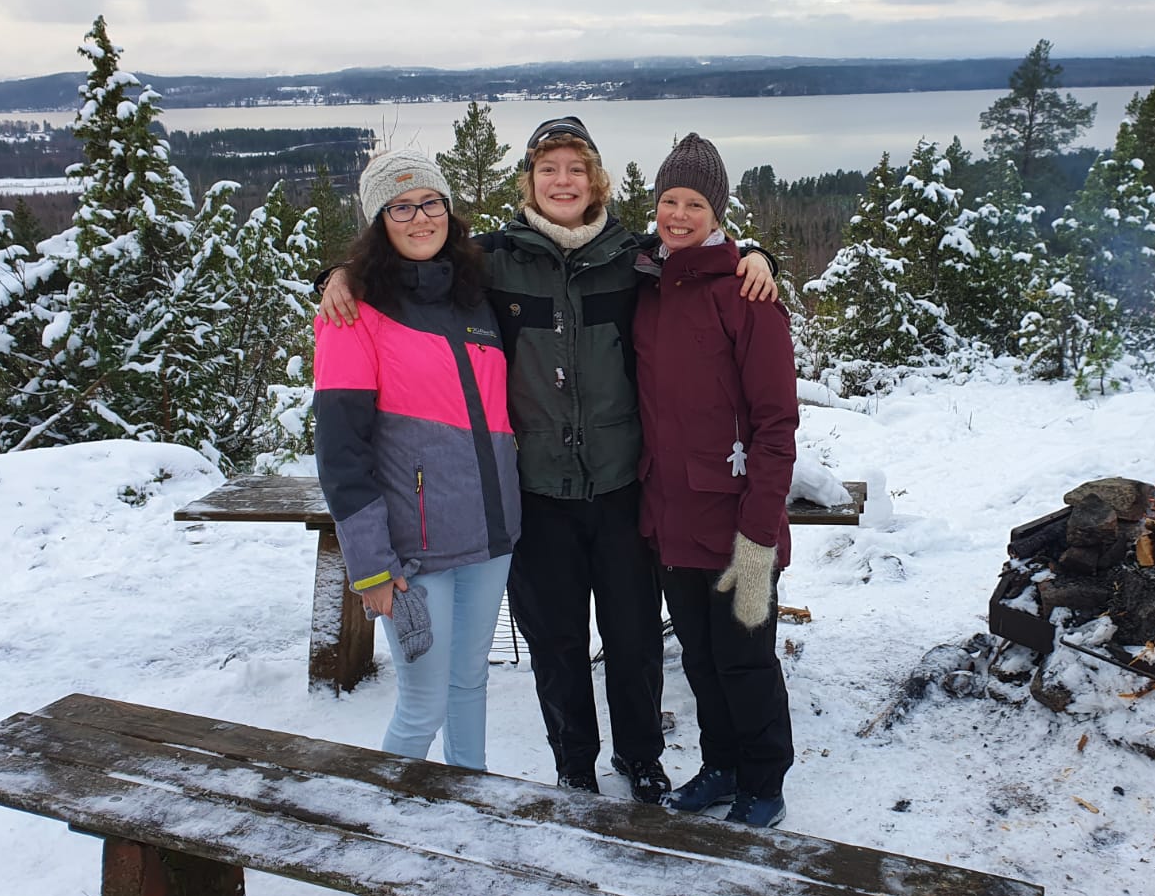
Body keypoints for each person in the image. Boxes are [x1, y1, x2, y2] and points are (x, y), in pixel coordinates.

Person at [319, 117, 776, 803]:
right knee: (556, 645)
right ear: (528, 179)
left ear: (595, 178)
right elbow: (414, 260)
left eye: (575, 167)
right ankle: (573, 766)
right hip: (534, 493)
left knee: (633, 640)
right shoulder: (495, 260)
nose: (563, 180)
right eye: (547, 168)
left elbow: (700, 248)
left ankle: (641, 758)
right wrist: (342, 273)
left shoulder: (635, 258)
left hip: (623, 486)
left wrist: (758, 253)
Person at [313, 149, 520, 777]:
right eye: (400, 207)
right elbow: (340, 451)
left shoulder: (475, 294)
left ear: (450, 212)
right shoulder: (355, 314)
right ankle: (380, 826)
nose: (419, 217)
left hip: (490, 536)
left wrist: (757, 257)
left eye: (431, 202)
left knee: (469, 686)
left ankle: (472, 805)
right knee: (423, 703)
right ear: (380, 221)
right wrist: (370, 565)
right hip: (412, 552)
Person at [634, 133, 799, 829]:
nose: (678, 214)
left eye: (693, 203)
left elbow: (776, 423)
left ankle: (764, 781)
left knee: (745, 662)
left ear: (717, 210)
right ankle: (722, 765)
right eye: (668, 200)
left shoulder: (748, 293)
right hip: (672, 517)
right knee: (700, 660)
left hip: (740, 526)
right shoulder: (647, 284)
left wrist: (760, 532)